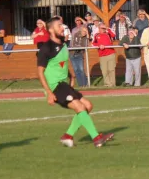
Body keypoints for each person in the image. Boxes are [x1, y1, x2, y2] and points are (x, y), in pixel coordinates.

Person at [37, 17, 113, 148]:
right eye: (59, 26)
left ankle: (68, 136)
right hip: (54, 87)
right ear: (50, 30)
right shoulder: (46, 48)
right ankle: (96, 138)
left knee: (88, 106)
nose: (62, 28)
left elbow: (60, 64)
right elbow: (40, 72)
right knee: (80, 107)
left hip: (63, 85)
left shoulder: (62, 45)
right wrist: (49, 92)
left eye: (62, 25)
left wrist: (71, 75)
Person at [92, 23, 117, 87]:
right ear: (99, 28)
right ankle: (107, 84)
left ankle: (113, 84)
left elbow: (114, 35)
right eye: (102, 28)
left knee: (111, 69)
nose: (103, 29)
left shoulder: (108, 33)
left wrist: (108, 29)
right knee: (104, 70)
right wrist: (99, 45)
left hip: (111, 53)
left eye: (104, 28)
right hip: (102, 55)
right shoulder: (96, 35)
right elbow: (93, 43)